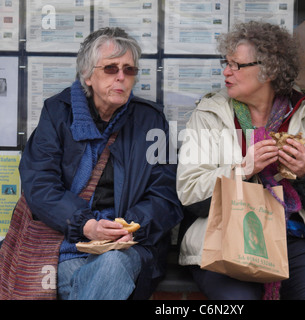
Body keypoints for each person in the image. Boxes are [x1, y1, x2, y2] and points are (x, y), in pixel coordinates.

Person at [176, 21, 305, 300]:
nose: (226, 71)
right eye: (226, 62)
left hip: (292, 238)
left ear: (269, 70)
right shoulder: (209, 115)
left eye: (236, 65)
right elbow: (189, 193)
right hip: (224, 239)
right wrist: (242, 170)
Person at [19, 27, 183, 300]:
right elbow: (39, 184)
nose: (121, 77)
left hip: (129, 245)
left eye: (129, 70)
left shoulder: (152, 121)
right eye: (110, 68)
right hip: (66, 242)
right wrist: (86, 225)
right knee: (92, 281)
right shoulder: (57, 113)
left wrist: (130, 225)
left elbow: (166, 194)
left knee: (111, 265)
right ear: (87, 75)